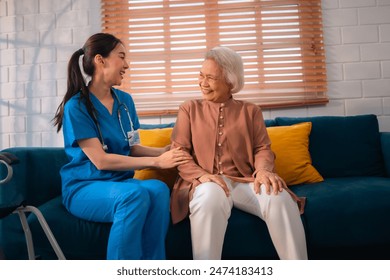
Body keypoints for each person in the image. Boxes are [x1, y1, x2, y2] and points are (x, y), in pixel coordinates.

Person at [52, 33, 191, 260]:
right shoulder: (76, 106)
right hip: (84, 187)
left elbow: (133, 147)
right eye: (121, 57)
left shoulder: (125, 101)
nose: (127, 64)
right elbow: (101, 160)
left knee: (158, 190)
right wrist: (157, 162)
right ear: (100, 60)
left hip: (119, 183)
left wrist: (164, 152)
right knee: (133, 196)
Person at [170, 46, 308, 260]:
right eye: (201, 75)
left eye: (210, 78)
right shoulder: (189, 109)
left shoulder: (251, 111)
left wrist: (262, 171)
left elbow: (262, 148)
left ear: (230, 81)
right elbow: (179, 151)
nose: (202, 83)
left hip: (244, 180)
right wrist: (201, 175)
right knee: (208, 199)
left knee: (278, 197)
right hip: (207, 181)